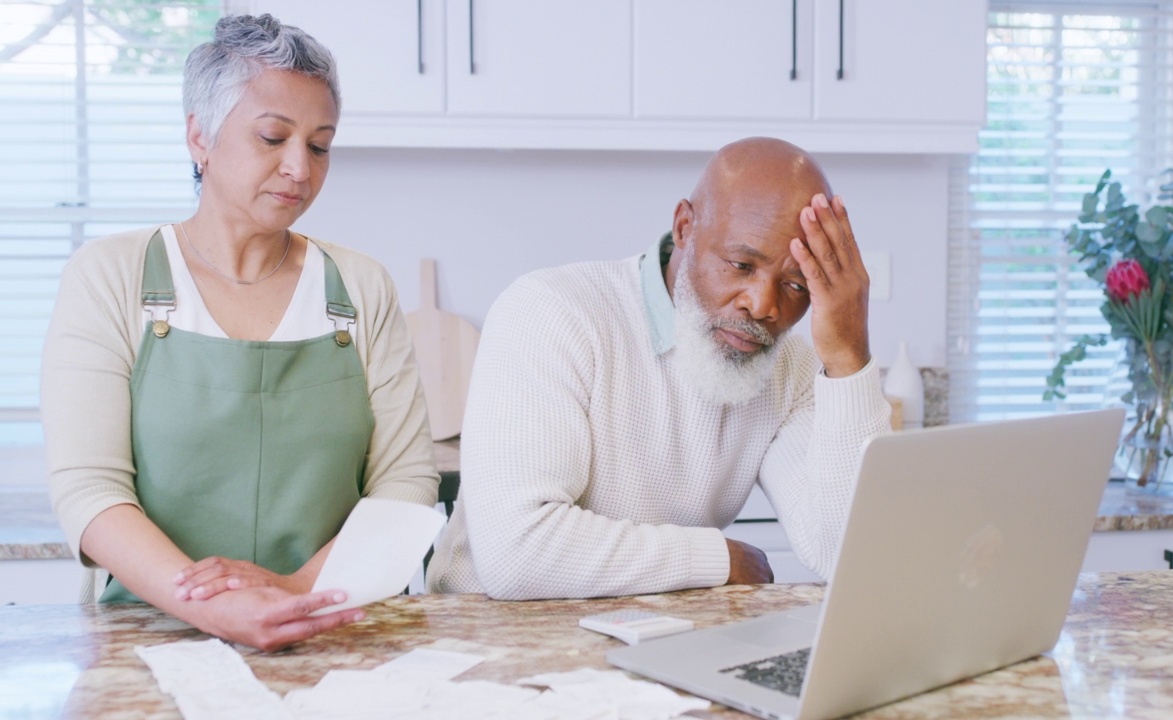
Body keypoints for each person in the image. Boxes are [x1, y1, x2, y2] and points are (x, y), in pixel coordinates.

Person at [41, 15, 439, 651]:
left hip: (329, 628)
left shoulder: (361, 287)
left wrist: (296, 591)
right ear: (199, 137)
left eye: (319, 144)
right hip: (149, 636)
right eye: (273, 137)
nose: (299, 169)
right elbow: (90, 489)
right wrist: (209, 606)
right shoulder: (110, 276)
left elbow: (407, 483)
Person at [427, 137, 892, 600]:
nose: (763, 305)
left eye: (795, 285)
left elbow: (847, 552)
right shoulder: (552, 313)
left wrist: (849, 360)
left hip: (652, 636)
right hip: (487, 643)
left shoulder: (790, 367)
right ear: (685, 227)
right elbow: (517, 554)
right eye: (740, 264)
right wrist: (717, 558)